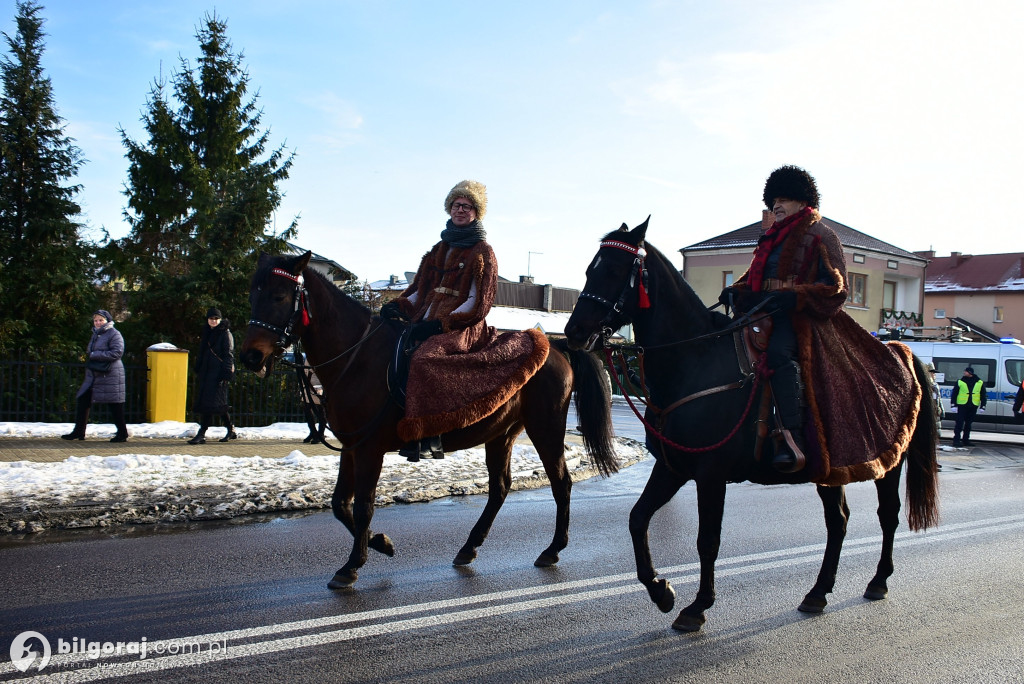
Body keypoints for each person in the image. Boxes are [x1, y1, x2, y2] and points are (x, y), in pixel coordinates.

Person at [719, 165, 921, 484]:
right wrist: (736, 290)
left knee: (780, 358)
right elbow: (754, 278)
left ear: (803, 201)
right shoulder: (770, 238)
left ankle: (791, 438)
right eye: (774, 201)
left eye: (784, 199)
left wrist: (795, 296)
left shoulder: (823, 235)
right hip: (764, 312)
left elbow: (836, 288)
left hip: (804, 319)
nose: (777, 206)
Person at [380, 180, 549, 461]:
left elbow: (478, 303)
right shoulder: (438, 249)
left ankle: (430, 434)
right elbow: (420, 290)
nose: (460, 210)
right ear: (449, 208)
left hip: (464, 326)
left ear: (476, 212)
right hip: (425, 318)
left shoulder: (483, 251)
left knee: (426, 359)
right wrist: (396, 305)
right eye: (456, 205)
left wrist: (440, 324)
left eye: (467, 206)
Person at [61, 310, 129, 442]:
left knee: (115, 404)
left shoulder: (114, 334)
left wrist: (94, 355)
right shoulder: (96, 334)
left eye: (100, 320)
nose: (98, 323)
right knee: (83, 400)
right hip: (95, 374)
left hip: (110, 374)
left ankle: (122, 433)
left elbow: (117, 352)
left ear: (107, 321)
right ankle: (78, 432)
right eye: (96, 320)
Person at [187, 308, 237, 445]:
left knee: (211, 403)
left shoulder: (225, 333)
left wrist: (226, 373)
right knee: (217, 404)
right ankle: (230, 429)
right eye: (211, 318)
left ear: (220, 319)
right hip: (207, 372)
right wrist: (199, 366)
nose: (213, 321)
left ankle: (202, 433)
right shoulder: (207, 332)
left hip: (218, 373)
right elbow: (203, 352)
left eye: (216, 318)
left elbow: (229, 355)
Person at [291, 348, 325, 444]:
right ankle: (313, 432)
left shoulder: (320, 355)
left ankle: (320, 434)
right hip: (307, 388)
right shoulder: (308, 357)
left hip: (317, 388)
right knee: (308, 412)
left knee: (321, 412)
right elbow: (304, 372)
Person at [951, 366, 986, 447]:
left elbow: (983, 395)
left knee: (968, 424)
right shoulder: (960, 381)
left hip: (973, 405)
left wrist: (983, 406)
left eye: (966, 371)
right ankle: (956, 440)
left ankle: (966, 440)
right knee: (959, 423)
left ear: (970, 373)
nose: (964, 373)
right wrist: (953, 404)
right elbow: (954, 393)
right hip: (962, 405)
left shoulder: (979, 382)